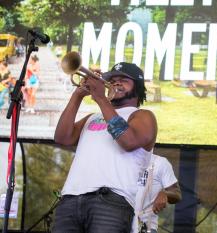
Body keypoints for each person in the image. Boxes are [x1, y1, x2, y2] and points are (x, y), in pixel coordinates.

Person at [53, 62, 157, 233]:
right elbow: (62, 138)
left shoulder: (143, 116)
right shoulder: (92, 117)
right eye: (112, 79)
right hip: (70, 198)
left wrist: (101, 98)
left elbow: (128, 141)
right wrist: (78, 95)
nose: (116, 83)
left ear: (138, 87)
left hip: (111, 201)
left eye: (123, 80)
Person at [133, 153, 182, 233]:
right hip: (117, 222)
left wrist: (165, 194)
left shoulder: (160, 162)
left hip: (146, 226)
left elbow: (176, 193)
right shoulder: (118, 160)